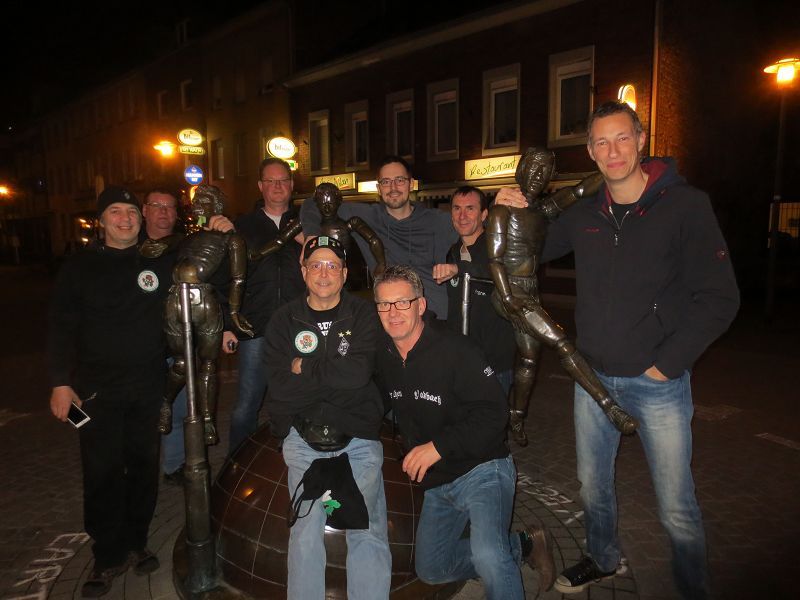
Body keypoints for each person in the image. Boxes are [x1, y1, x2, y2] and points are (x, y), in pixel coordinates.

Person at [497, 101, 740, 598]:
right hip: (593, 378)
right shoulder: (585, 211)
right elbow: (530, 245)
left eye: (622, 138)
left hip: (659, 384)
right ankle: (603, 558)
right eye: (602, 142)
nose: (613, 151)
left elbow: (721, 297)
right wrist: (510, 205)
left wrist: (667, 365)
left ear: (641, 139)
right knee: (593, 487)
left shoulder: (684, 205)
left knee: (676, 505)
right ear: (590, 150)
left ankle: (692, 587)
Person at [373, 265, 556, 598]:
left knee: (488, 555)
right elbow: (374, 401)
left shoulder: (455, 349)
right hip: (438, 481)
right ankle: (524, 544)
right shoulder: (384, 355)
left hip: (483, 468)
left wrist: (437, 447)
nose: (393, 312)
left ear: (420, 305)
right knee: (432, 569)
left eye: (402, 302)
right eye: (384, 304)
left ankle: (499, 557)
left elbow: (495, 413)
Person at [48, 186, 171, 597]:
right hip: (96, 391)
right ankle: (106, 554)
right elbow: (61, 326)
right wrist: (60, 382)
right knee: (102, 472)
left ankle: (136, 542)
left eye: (131, 211)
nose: (125, 219)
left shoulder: (158, 261)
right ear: (101, 220)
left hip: (147, 385)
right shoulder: (79, 267)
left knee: (143, 467)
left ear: (141, 217)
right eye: (115, 211)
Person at [263, 235, 390, 599]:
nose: (323, 273)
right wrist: (336, 378)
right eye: (315, 265)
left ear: (345, 273)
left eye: (332, 265)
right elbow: (280, 388)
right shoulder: (283, 320)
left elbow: (358, 375)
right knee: (304, 534)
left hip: (358, 437)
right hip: (303, 440)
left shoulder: (364, 314)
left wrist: (305, 368)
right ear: (303, 271)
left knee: (366, 529)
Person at [486, 148, 635, 447]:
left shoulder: (541, 211)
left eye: (545, 170)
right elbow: (495, 260)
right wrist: (508, 296)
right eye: (533, 167)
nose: (538, 175)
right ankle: (610, 407)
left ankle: (516, 415)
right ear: (521, 169)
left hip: (529, 289)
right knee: (561, 342)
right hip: (509, 291)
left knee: (529, 358)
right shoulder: (503, 211)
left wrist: (611, 169)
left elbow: (578, 191)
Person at [140, 185, 253, 447]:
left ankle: (208, 419)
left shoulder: (232, 239)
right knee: (181, 363)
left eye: (204, 201)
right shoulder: (185, 239)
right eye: (196, 201)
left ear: (218, 206)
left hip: (207, 303)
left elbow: (238, 279)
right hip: (176, 302)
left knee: (209, 365)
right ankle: (166, 403)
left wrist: (233, 315)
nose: (198, 206)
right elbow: (151, 252)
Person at [301, 155, 456, 319]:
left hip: (436, 315)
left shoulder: (438, 220)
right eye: (386, 182)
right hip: (392, 317)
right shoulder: (367, 216)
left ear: (411, 184)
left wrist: (456, 268)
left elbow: (472, 243)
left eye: (400, 180)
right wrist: (311, 236)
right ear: (378, 188)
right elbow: (312, 203)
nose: (393, 187)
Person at [222, 157, 305, 456]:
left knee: (296, 398)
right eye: (270, 181)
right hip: (255, 327)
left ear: (291, 185)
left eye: (282, 180)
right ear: (260, 186)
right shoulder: (242, 226)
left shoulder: (306, 222)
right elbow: (226, 278)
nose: (277, 186)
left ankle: (293, 458)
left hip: (299, 326)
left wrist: (308, 240)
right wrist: (227, 326)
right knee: (247, 403)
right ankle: (236, 461)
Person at [431, 185, 516, 394]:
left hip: (493, 360)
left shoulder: (498, 246)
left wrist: (459, 269)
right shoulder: (453, 252)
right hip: (461, 358)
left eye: (470, 208)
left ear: (484, 214)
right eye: (457, 208)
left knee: (493, 413)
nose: (462, 216)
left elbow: (497, 272)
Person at [141, 187, 187, 485]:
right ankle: (140, 469)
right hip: (140, 346)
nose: (163, 212)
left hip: (176, 343)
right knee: (143, 412)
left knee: (177, 410)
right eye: (157, 205)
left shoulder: (184, 247)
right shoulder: (131, 248)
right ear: (144, 210)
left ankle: (174, 465)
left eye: (169, 207)